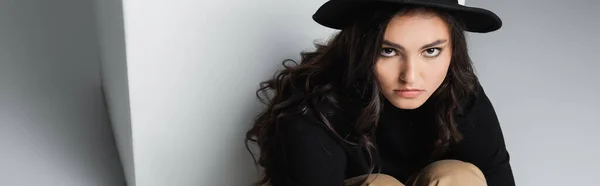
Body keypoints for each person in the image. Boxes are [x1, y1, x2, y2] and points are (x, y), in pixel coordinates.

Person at [245, 0, 515, 185]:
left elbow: (498, 178)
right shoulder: (314, 104)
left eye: (431, 51)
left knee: (457, 178)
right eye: (388, 51)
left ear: (453, 51)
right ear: (360, 49)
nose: (410, 76)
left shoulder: (459, 91)